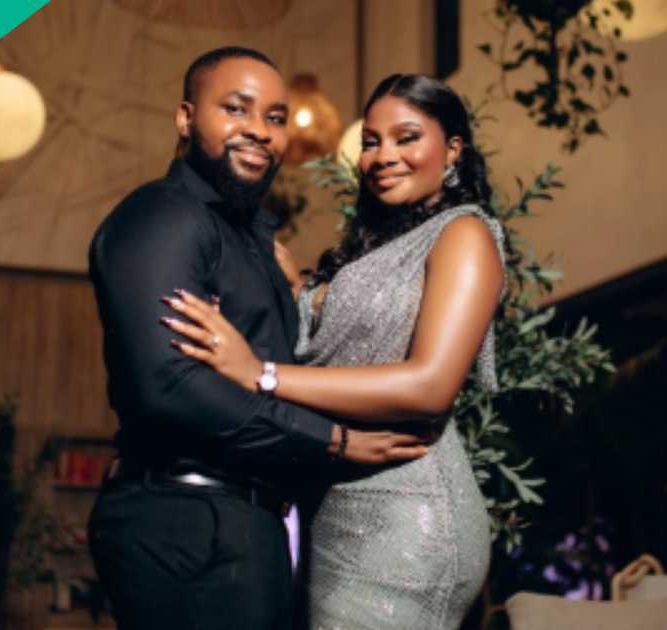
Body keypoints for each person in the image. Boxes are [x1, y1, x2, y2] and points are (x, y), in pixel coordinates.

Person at [86, 48, 429, 630]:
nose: (260, 131)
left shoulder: (255, 243)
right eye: (236, 109)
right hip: (185, 518)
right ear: (186, 118)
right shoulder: (163, 217)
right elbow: (170, 388)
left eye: (275, 118)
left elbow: (275, 365)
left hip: (250, 520)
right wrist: (334, 442)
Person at [162, 73, 506, 630]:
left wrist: (260, 374)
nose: (383, 156)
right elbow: (346, 343)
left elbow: (431, 384)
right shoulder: (378, 245)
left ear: (454, 149)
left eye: (407, 137)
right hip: (335, 504)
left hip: (409, 510)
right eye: (371, 141)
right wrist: (296, 289)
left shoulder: (465, 235)